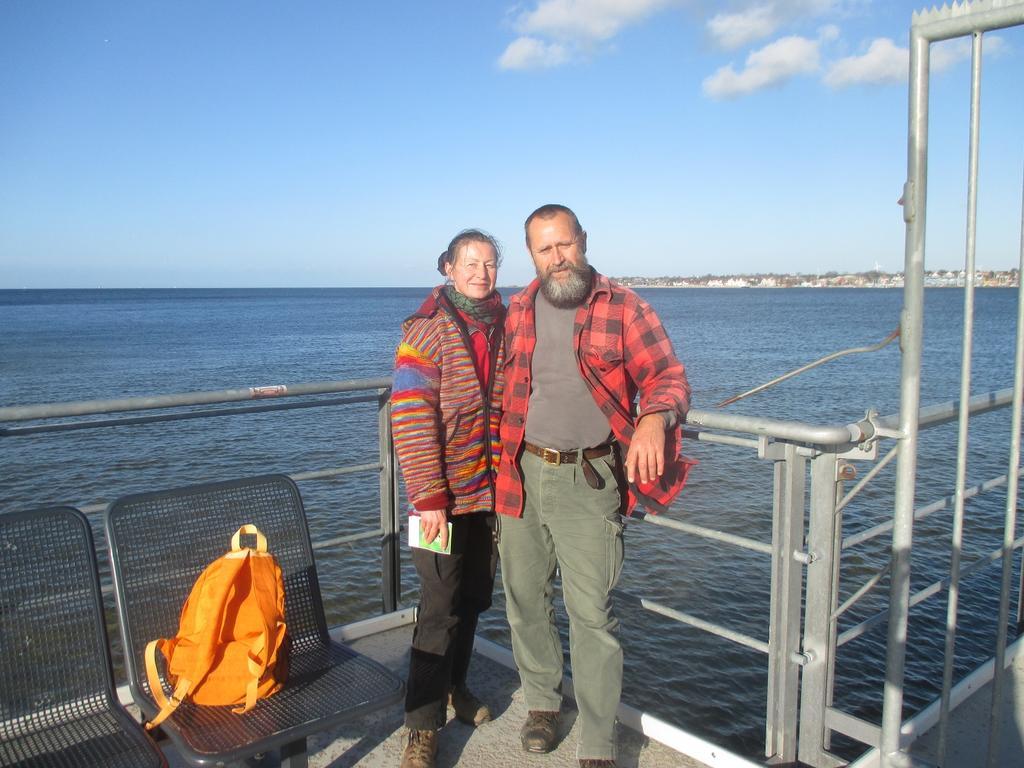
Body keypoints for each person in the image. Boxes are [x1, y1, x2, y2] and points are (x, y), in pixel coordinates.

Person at [495, 204, 692, 768]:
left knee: (592, 615)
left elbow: (668, 376)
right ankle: (541, 704)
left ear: (582, 240)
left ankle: (599, 742)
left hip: (591, 477)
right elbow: (501, 393)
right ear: (531, 255)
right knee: (524, 601)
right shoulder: (518, 308)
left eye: (564, 245)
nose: (557, 258)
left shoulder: (624, 307)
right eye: (543, 249)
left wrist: (655, 418)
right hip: (521, 472)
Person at [390, 229, 505, 768]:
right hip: (438, 499)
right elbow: (410, 417)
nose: (481, 273)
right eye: (471, 264)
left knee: (474, 598)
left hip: (487, 493)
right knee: (438, 609)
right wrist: (430, 497)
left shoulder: (502, 325)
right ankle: (421, 725)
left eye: (489, 263)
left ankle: (457, 687)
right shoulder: (428, 330)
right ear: (448, 269)